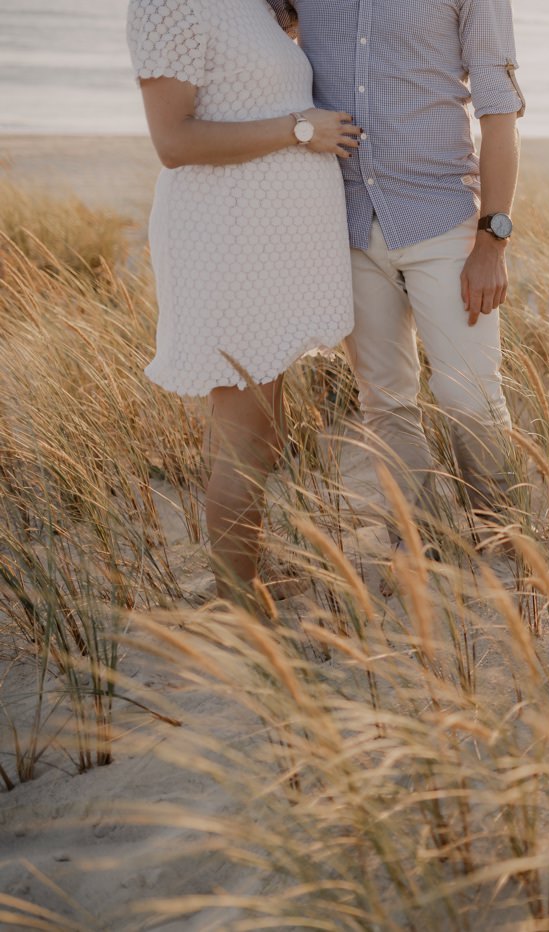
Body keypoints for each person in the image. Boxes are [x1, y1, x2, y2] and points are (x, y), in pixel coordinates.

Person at [267, 0, 525, 552]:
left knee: (470, 397)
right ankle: (422, 542)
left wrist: (492, 241)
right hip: (346, 223)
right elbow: (246, 32)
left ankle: (503, 539)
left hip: (443, 217)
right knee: (384, 400)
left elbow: (498, 111)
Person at [127, 0, 362, 602]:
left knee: (265, 427)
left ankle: (244, 571)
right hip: (226, 240)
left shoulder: (253, 5)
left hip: (267, 248)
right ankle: (236, 598)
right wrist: (299, 129)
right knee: (242, 430)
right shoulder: (168, 3)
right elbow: (173, 140)